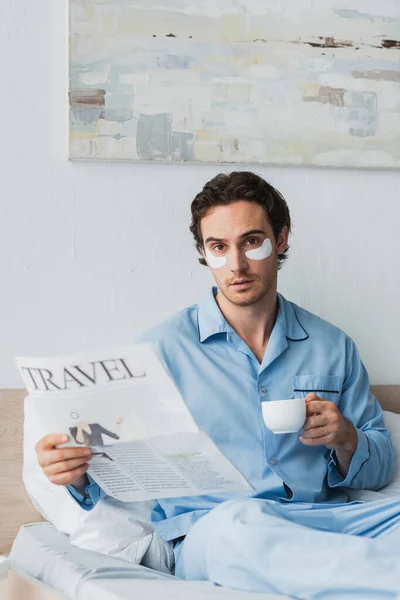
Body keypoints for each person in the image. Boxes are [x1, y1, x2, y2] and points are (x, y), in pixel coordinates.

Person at [34, 172, 400, 598]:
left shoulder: (332, 346)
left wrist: (347, 439)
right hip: (218, 529)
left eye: (251, 241)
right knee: (237, 529)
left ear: (280, 240)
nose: (237, 265)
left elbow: (380, 468)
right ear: (205, 254)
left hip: (326, 518)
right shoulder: (158, 350)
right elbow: (117, 465)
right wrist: (74, 474)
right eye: (218, 248)